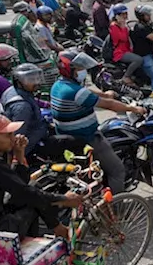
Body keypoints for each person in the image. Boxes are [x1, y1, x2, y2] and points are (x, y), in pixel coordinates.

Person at [0, 115, 84, 239]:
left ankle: (58, 230)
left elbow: (20, 185)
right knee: (33, 202)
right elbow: (25, 193)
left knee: (33, 188)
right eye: (8, 135)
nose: (13, 138)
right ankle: (47, 236)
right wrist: (64, 199)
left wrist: (19, 154)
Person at [49, 49, 145, 189]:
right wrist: (134, 109)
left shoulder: (59, 85)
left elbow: (87, 91)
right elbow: (110, 106)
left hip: (67, 136)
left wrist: (104, 94)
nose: (83, 71)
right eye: (79, 68)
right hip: (88, 138)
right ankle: (119, 208)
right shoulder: (76, 93)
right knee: (117, 171)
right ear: (69, 70)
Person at [0, 63, 85, 163]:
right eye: (30, 79)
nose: (36, 82)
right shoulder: (22, 107)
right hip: (33, 146)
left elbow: (32, 100)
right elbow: (19, 137)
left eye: (37, 78)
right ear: (19, 81)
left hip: (38, 134)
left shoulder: (12, 91)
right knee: (77, 142)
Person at [108, 4, 143, 86]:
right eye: (123, 14)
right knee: (139, 60)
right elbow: (122, 38)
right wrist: (123, 26)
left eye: (125, 13)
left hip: (126, 49)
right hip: (119, 52)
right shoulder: (114, 26)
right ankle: (126, 76)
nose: (125, 16)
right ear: (117, 15)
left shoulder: (123, 24)